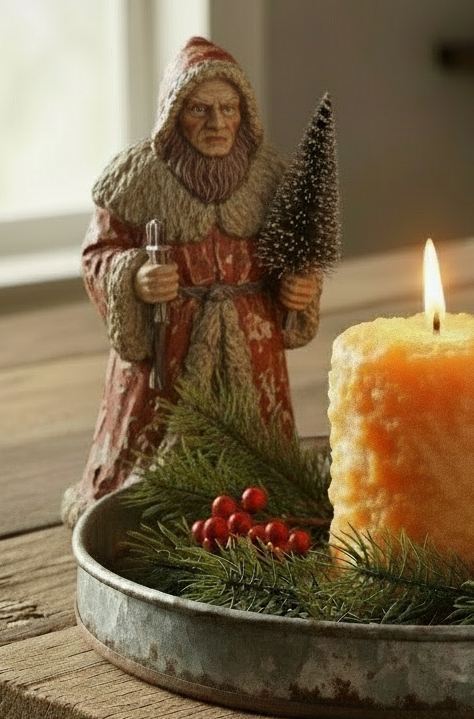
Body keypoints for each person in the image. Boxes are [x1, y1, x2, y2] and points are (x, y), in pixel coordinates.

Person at [61, 37, 321, 527]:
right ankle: (138, 515)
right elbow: (98, 254)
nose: (217, 123)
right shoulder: (134, 176)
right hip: (168, 345)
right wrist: (134, 275)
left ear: (245, 113)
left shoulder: (273, 175)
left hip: (252, 341)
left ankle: (258, 510)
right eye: (199, 110)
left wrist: (298, 289)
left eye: (228, 108)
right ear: (173, 113)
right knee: (152, 465)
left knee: (258, 452)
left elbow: (298, 251)